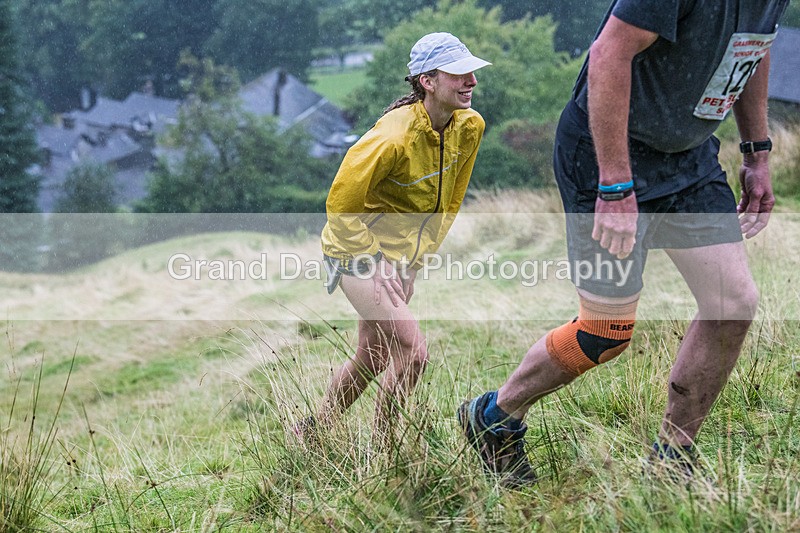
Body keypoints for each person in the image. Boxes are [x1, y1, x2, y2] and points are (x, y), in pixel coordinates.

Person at [458, 0, 789, 487]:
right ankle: (495, 414)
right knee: (605, 332)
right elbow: (608, 54)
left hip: (687, 159)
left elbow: (752, 50)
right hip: (605, 152)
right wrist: (614, 185)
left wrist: (757, 152)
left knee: (732, 304)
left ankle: (673, 457)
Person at [300, 32, 490, 444]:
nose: (471, 80)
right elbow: (340, 205)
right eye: (458, 74)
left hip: (403, 258)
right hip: (355, 253)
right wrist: (374, 259)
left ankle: (311, 433)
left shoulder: (469, 127)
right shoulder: (392, 137)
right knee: (413, 353)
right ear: (427, 81)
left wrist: (414, 260)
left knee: (373, 357)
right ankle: (385, 452)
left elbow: (450, 199)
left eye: (472, 71)